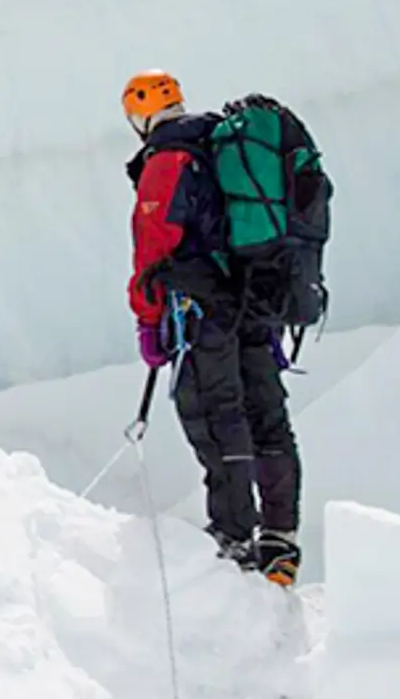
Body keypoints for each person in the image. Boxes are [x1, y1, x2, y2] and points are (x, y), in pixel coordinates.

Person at [122, 70, 303, 585]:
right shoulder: (224, 147)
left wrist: (148, 322)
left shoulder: (168, 160)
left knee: (215, 413)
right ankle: (281, 536)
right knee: (265, 413)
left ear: (139, 115)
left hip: (203, 308)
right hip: (255, 302)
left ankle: (233, 536)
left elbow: (153, 249)